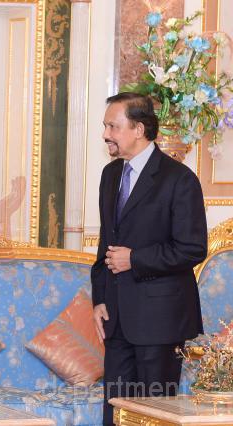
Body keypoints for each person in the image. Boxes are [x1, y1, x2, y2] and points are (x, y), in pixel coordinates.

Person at [91, 92, 207, 424]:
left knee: (155, 416)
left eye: (113, 126)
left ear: (139, 129)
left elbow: (192, 248)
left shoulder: (179, 179)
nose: (106, 134)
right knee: (115, 413)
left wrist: (136, 259)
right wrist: (99, 299)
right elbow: (106, 244)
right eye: (105, 126)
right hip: (116, 321)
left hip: (161, 322)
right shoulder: (110, 175)